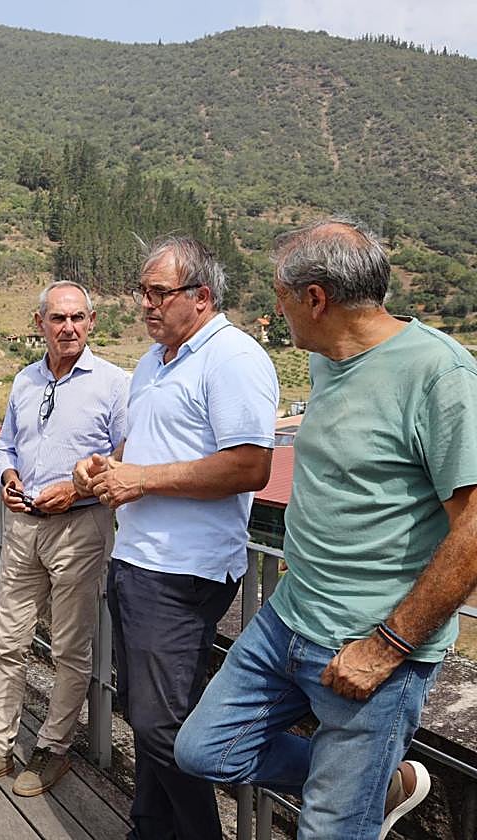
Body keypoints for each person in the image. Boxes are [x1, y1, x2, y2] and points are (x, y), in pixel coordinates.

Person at [175, 218, 477, 839]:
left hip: (372, 645)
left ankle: (357, 792)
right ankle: (377, 782)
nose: (275, 311)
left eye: (280, 298)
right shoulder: (329, 362)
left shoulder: (439, 376)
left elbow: (474, 528)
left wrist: (388, 646)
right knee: (203, 751)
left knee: (329, 831)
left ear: (316, 299)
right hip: (288, 620)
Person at [73, 236, 279, 839]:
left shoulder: (233, 358)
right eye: (143, 293)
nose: (145, 305)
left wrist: (143, 480)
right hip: (138, 559)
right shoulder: (154, 361)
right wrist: (104, 467)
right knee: (145, 715)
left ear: (202, 297)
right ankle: (149, 826)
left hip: (183, 571)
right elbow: (143, 450)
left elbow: (249, 466)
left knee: (163, 726)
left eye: (158, 293)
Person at [0, 281, 128, 797]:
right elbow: (6, 447)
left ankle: (53, 748)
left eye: (77, 318)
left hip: (80, 528)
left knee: (70, 648)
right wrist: (7, 479)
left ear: (91, 322)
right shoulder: (25, 380)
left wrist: (74, 492)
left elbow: (122, 461)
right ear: (39, 323)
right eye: (57, 318)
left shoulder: (115, 384)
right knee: (8, 641)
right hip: (23, 526)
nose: (68, 327)